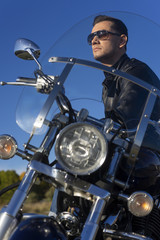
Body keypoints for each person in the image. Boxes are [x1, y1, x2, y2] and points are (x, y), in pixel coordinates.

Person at [87, 15, 160, 131]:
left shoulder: (136, 71)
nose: (94, 41)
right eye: (91, 37)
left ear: (121, 41)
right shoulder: (109, 82)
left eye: (101, 34)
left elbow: (123, 121)